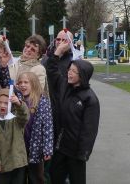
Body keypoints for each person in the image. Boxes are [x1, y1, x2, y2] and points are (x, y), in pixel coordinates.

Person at [46, 38, 100, 184]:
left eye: (74, 72)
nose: (69, 73)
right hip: (60, 147)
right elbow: (51, 70)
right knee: (55, 176)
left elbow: (89, 130)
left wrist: (83, 153)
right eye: (69, 70)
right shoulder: (64, 85)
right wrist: (57, 52)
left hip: (76, 153)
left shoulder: (90, 99)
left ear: (82, 75)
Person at [15, 72, 53, 184]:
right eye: (20, 82)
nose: (22, 85)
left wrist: (47, 148)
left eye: (26, 82)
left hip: (36, 148)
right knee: (20, 177)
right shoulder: (17, 100)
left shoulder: (42, 101)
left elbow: (47, 126)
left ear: (34, 84)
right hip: (20, 147)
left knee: (36, 178)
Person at [0, 87, 29, 184]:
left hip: (18, 163)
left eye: (6, 103)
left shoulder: (16, 118)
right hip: (3, 165)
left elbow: (25, 115)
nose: (2, 105)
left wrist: (19, 104)